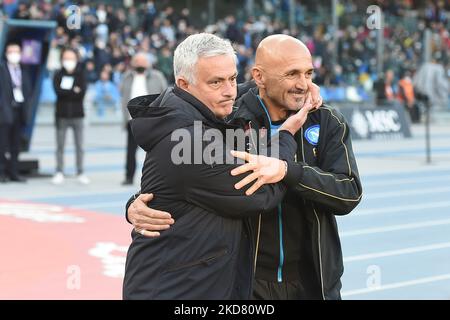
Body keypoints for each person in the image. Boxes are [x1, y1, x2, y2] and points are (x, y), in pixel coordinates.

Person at [126, 34, 363, 300]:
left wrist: (291, 171)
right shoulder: (229, 116)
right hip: (247, 282)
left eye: (308, 74)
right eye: (292, 74)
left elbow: (349, 192)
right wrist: (139, 202)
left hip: (312, 280)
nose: (304, 84)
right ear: (259, 77)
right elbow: (187, 171)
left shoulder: (327, 119)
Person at [119, 52, 168, 185]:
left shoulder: (157, 76)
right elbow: (122, 94)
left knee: (157, 151)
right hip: (132, 120)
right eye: (137, 61)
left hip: (152, 120)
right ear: (133, 63)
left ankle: (160, 177)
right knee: (130, 151)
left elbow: (165, 95)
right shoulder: (127, 77)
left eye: (143, 61)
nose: (140, 64)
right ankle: (129, 176)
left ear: (148, 63)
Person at [52, 47, 89, 185]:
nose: (69, 61)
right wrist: (73, 90)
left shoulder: (81, 74)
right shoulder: (57, 74)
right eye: (66, 58)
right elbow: (58, 91)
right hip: (61, 114)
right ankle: (59, 171)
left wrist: (70, 91)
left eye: (71, 58)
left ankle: (80, 171)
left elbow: (81, 93)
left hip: (77, 114)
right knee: (60, 145)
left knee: (79, 145)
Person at [0, 42, 33, 183]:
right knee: (2, 144)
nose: (14, 54)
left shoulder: (23, 69)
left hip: (19, 110)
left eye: (17, 51)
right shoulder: (2, 69)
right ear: (6, 53)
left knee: (15, 145)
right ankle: (1, 172)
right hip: (4, 112)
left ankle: (14, 172)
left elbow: (28, 90)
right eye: (11, 51)